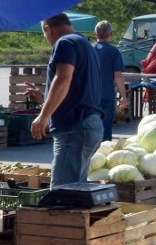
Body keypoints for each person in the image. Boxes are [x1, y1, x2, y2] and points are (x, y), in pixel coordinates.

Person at [26, 13, 103, 187]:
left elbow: (63, 78)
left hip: (74, 127)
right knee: (76, 190)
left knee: (62, 193)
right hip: (89, 124)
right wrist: (44, 100)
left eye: (44, 34)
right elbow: (77, 90)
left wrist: (43, 116)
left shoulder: (65, 43)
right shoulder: (85, 44)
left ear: (48, 28)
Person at [92, 21, 128, 141]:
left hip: (90, 96)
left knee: (91, 128)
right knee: (106, 128)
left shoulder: (89, 50)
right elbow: (118, 76)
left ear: (95, 34)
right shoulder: (114, 52)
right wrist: (123, 96)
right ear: (111, 34)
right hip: (107, 95)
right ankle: (104, 155)